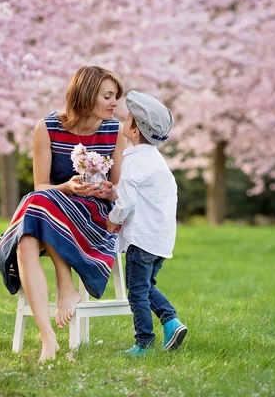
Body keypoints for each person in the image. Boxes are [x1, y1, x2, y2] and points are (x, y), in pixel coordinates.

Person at [0, 66, 127, 361]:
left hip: (93, 217)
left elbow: (119, 188)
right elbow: (41, 185)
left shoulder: (114, 131)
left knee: (36, 211)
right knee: (27, 238)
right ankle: (48, 337)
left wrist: (107, 190)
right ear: (86, 93)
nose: (114, 103)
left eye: (115, 96)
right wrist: (68, 186)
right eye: (107, 96)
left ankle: (65, 287)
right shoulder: (48, 127)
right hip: (52, 208)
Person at [106, 90, 187, 356]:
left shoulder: (134, 161)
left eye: (128, 118)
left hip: (141, 240)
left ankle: (143, 343)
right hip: (160, 239)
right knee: (146, 286)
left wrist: (112, 220)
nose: (124, 122)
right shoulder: (154, 160)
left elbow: (127, 202)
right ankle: (172, 322)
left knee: (137, 293)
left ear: (135, 130)